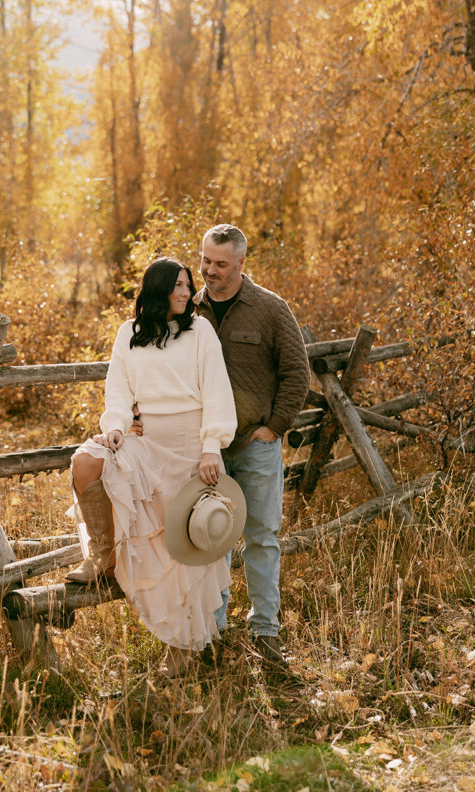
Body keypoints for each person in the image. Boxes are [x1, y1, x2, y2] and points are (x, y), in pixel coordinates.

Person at [65, 257, 238, 677]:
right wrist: (118, 428)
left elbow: (216, 390)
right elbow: (118, 392)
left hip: (189, 444)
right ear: (156, 290)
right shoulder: (129, 334)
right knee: (87, 461)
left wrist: (212, 447)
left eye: (187, 285)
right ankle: (102, 558)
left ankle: (180, 649)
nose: (185, 292)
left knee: (178, 550)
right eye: (177, 285)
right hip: (146, 438)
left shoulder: (201, 332)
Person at [194, 224, 310, 665]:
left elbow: (297, 373)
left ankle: (265, 632)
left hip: (256, 446)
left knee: (261, 537)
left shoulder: (270, 309)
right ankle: (214, 633)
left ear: (242, 263)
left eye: (220, 264)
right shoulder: (191, 310)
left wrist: (275, 427)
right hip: (208, 451)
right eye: (206, 260)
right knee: (211, 540)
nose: (209, 271)